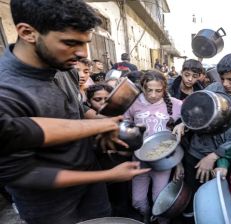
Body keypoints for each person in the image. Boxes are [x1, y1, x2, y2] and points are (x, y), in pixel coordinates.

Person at [0, 1, 150, 223]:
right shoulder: (6, 92)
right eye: (70, 42)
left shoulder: (64, 67)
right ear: (28, 32)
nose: (82, 54)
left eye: (85, 43)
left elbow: (77, 109)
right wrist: (108, 175)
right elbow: (23, 174)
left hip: (90, 184)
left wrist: (102, 122)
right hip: (50, 204)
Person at [175, 53, 231, 221]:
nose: (225, 84)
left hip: (222, 160)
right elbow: (195, 110)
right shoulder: (213, 88)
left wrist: (215, 155)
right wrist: (183, 123)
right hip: (195, 152)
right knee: (192, 194)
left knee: (215, 200)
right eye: (222, 78)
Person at [124, 70, 183, 224]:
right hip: (139, 159)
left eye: (158, 91)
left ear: (164, 89)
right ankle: (145, 218)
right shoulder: (133, 102)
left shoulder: (176, 104)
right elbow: (123, 123)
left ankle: (161, 221)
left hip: (164, 161)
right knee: (137, 200)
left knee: (160, 200)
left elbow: (190, 120)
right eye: (148, 90)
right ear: (142, 87)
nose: (153, 95)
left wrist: (182, 124)